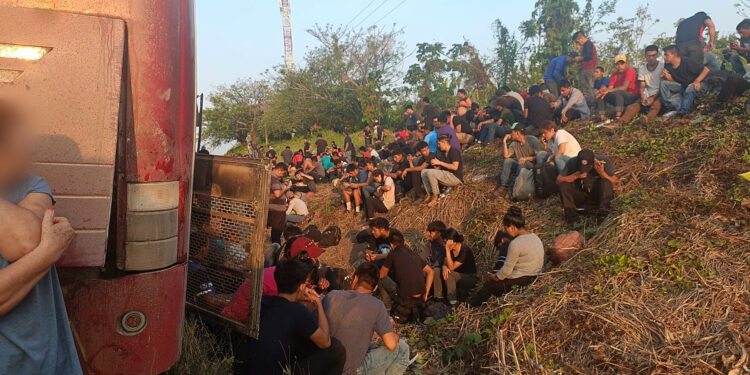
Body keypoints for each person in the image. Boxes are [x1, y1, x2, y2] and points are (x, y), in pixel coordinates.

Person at [0, 102, 82, 375]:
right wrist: (49, 252)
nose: (29, 151)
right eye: (19, 140)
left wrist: (42, 249)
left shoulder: (32, 185)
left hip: (45, 362)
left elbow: (25, 239)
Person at [234, 260, 346, 375]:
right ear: (302, 286)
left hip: (243, 369)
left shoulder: (263, 301)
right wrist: (318, 303)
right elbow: (325, 342)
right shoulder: (298, 311)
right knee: (336, 348)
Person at [323, 263, 410, 375]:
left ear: (355, 279)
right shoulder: (377, 305)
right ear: (375, 288)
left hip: (323, 366)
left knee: (368, 347)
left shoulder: (332, 295)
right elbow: (391, 344)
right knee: (402, 348)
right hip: (350, 371)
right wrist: (392, 331)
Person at [469, 207, 543, 307]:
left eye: (506, 228)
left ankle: (469, 307)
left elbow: (506, 271)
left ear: (511, 227)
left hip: (522, 279)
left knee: (488, 286)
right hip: (536, 275)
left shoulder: (515, 243)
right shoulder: (535, 237)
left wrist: (495, 277)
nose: (507, 232)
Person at [380, 232, 434, 322]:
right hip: (421, 296)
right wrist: (426, 293)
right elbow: (430, 271)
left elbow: (382, 275)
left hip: (406, 298)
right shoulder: (413, 254)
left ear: (391, 244)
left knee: (380, 278)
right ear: (404, 241)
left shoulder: (393, 254)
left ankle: (387, 309)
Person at [557, 149, 618, 224]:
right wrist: (576, 176)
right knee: (563, 185)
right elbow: (558, 180)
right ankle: (572, 218)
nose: (585, 171)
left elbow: (614, 182)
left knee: (606, 182)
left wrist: (602, 173)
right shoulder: (572, 162)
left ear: (593, 161)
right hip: (581, 194)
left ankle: (603, 214)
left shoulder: (604, 161)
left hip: (597, 194)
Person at [660, 44, 710, 117]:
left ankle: (682, 112)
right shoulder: (667, 65)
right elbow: (672, 80)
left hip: (699, 84)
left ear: (674, 54)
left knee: (690, 89)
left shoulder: (687, 61)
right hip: (683, 86)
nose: (664, 57)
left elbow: (706, 70)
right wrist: (668, 77)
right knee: (663, 83)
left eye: (666, 55)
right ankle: (670, 107)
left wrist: (697, 81)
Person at [620, 45, 664, 124]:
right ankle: (621, 122)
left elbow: (663, 86)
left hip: (659, 94)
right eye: (648, 56)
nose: (651, 58)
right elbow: (642, 86)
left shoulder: (662, 67)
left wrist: (653, 98)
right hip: (647, 94)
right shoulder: (642, 69)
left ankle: (648, 118)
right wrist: (643, 97)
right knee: (633, 106)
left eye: (653, 55)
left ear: (657, 55)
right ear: (645, 56)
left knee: (657, 104)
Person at [433, 228, 477, 305]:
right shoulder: (449, 249)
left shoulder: (464, 250)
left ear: (453, 241)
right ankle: (438, 298)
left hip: (468, 277)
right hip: (455, 274)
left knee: (449, 273)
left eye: (446, 242)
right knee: (436, 270)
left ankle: (452, 301)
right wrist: (444, 266)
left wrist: (447, 250)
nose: (445, 244)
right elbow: (445, 262)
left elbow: (451, 267)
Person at [421, 134, 463, 206]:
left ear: (444, 142)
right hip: (447, 175)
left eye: (439, 144)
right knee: (424, 172)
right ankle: (429, 193)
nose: (438, 146)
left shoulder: (454, 151)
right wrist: (437, 167)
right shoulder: (443, 153)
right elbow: (443, 167)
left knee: (431, 173)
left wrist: (440, 162)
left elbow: (455, 167)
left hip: (455, 178)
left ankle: (435, 197)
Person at [596, 54, 640, 123]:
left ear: (626, 63)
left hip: (632, 97)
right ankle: (602, 118)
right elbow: (610, 88)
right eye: (617, 64)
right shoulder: (614, 74)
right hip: (620, 98)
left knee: (619, 92)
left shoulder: (630, 71)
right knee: (601, 95)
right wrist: (604, 92)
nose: (619, 66)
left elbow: (624, 87)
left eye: (622, 63)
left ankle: (617, 117)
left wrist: (608, 90)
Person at [498, 126, 543, 192]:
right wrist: (504, 142)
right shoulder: (514, 143)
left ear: (517, 133)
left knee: (523, 163)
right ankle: (504, 184)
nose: (510, 134)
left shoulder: (532, 140)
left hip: (532, 166)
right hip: (520, 164)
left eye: (512, 132)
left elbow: (539, 156)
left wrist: (526, 159)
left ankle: (513, 185)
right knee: (507, 161)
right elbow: (506, 156)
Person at [573, 31, 598, 100]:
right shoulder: (587, 45)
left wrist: (580, 58)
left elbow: (589, 56)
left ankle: (592, 103)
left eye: (577, 42)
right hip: (586, 68)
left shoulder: (588, 44)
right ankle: (590, 102)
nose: (578, 44)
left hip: (588, 69)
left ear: (580, 39)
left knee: (588, 88)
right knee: (586, 88)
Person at [268, 162, 288, 244]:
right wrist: (285, 189)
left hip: (273, 209)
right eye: (283, 173)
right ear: (280, 171)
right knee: (276, 234)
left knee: (275, 234)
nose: (282, 176)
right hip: (277, 211)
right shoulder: (274, 178)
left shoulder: (270, 176)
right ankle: (276, 252)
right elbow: (277, 194)